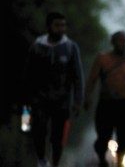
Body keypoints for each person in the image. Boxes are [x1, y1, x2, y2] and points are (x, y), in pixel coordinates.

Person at [23, 12, 84, 167]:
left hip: (62, 101)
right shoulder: (37, 47)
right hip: (39, 99)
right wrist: (26, 100)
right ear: (49, 26)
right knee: (39, 131)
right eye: (57, 25)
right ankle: (42, 160)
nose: (61, 29)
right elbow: (28, 75)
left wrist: (78, 101)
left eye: (63, 25)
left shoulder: (70, 48)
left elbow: (77, 76)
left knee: (58, 137)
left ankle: (55, 163)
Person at [84, 31, 125, 167]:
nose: (123, 44)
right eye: (120, 41)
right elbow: (91, 80)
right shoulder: (102, 59)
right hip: (106, 104)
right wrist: (87, 98)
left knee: (124, 139)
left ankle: (120, 163)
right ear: (113, 42)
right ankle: (102, 160)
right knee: (103, 137)